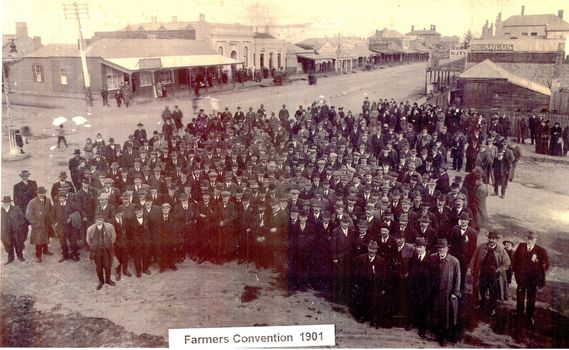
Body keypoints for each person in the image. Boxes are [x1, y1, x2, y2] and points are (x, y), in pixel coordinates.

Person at [512, 231, 549, 327]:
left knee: (531, 298)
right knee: (520, 295)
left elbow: (546, 265)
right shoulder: (521, 246)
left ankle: (529, 315)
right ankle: (519, 311)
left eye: (532, 239)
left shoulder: (541, 250)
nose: (530, 240)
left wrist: (538, 265)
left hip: (533, 280)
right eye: (528, 238)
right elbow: (514, 259)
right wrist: (516, 272)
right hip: (521, 278)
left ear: (536, 240)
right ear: (526, 238)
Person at [470, 231, 511, 316]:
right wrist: (473, 269)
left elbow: (507, 263)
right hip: (482, 274)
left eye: (494, 239)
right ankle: (481, 304)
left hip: (494, 276)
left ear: (497, 240)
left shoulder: (501, 250)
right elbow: (474, 258)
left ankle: (492, 308)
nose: (491, 240)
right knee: (481, 290)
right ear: (488, 239)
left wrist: (499, 269)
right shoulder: (481, 247)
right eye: (490, 238)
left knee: (493, 293)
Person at [430, 238, 461, 346]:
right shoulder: (432, 258)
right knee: (436, 312)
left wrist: (455, 293)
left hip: (447, 293)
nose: (441, 250)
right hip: (435, 292)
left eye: (444, 248)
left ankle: (444, 336)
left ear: (447, 249)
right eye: (439, 248)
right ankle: (437, 332)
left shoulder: (454, 261)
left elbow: (458, 278)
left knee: (447, 315)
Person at [351, 240, 388, 328]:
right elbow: (356, 272)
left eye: (374, 249)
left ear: (376, 250)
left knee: (374, 302)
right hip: (363, 285)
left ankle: (373, 319)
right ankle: (363, 316)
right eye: (370, 249)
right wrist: (356, 283)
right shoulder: (361, 258)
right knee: (363, 301)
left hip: (375, 286)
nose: (371, 251)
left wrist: (383, 288)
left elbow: (383, 275)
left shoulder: (381, 261)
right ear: (367, 248)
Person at [406, 237, 431, 338]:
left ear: (425, 247)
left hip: (424, 288)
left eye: (420, 247)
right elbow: (411, 271)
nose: (418, 249)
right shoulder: (414, 257)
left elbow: (432, 276)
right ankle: (411, 322)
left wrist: (428, 290)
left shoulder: (430, 259)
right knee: (412, 306)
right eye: (417, 247)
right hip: (414, 287)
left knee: (423, 309)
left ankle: (422, 328)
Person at [86, 213, 117, 290]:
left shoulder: (109, 227)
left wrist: (108, 245)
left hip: (106, 250)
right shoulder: (90, 229)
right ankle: (101, 281)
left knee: (107, 266)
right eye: (97, 220)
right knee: (99, 267)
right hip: (96, 251)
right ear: (95, 220)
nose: (99, 221)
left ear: (103, 220)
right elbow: (88, 240)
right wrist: (95, 246)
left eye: (101, 220)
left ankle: (108, 279)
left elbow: (113, 237)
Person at [26, 187, 54, 263]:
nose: (42, 195)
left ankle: (45, 250)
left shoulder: (48, 200)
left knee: (46, 238)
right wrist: (36, 223)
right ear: (37, 193)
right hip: (38, 225)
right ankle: (38, 256)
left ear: (45, 193)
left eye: (43, 193)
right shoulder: (32, 202)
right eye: (40, 193)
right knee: (38, 241)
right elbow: (28, 215)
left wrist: (51, 219)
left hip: (46, 224)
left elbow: (51, 210)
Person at [1, 196, 28, 264]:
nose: (6, 204)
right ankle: (10, 257)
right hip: (6, 232)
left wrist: (18, 225)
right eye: (5, 203)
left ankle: (20, 256)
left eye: (8, 202)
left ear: (10, 202)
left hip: (16, 231)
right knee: (8, 245)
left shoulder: (16, 208)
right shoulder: (1, 210)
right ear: (3, 203)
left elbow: (22, 218)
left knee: (18, 244)